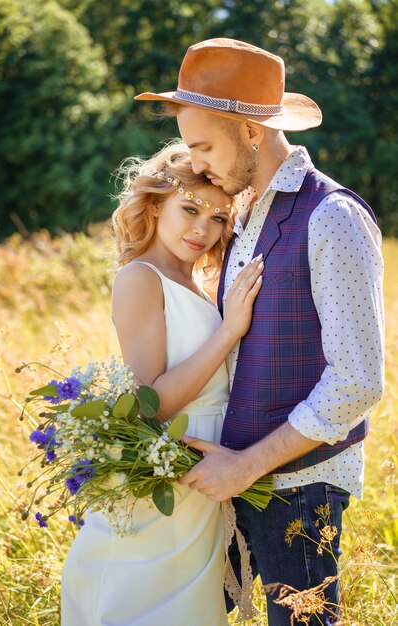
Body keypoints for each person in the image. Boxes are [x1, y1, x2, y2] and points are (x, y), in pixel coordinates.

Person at [135, 38, 385, 625]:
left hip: (301, 487)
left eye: (202, 145)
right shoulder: (243, 216)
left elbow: (358, 382)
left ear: (250, 131)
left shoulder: (332, 217)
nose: (195, 165)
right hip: (239, 480)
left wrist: (245, 467)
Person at [61, 142, 265, 626]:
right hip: (163, 482)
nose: (203, 228)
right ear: (154, 203)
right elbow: (149, 403)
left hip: (203, 479)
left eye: (218, 219)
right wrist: (229, 330)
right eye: (190, 209)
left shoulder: (201, 284)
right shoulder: (140, 277)